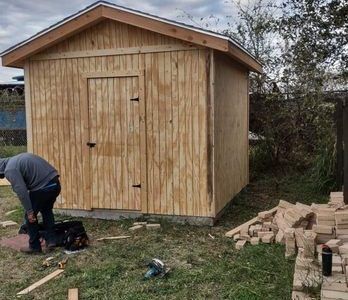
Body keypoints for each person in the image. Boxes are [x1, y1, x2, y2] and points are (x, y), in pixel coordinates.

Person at [0, 153, 61, 254]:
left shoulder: (10, 170)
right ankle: (52, 240)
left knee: (29, 217)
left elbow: (22, 192)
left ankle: (34, 247)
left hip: (43, 188)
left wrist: (29, 211)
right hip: (55, 183)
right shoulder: (16, 159)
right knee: (46, 210)